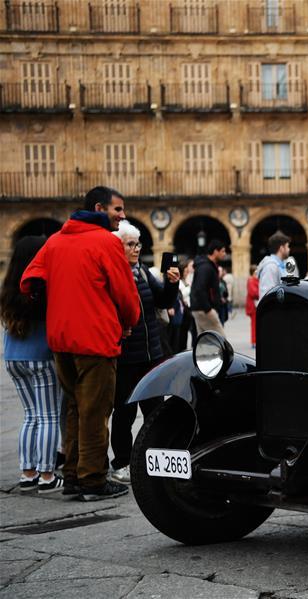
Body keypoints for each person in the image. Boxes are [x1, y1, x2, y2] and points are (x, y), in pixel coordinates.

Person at [20, 186, 141, 502]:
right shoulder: (105, 242)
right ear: (100, 208)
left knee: (73, 408)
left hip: (61, 338)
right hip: (95, 339)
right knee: (96, 411)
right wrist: (128, 321)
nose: (122, 215)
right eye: (118, 209)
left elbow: (29, 279)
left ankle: (72, 475)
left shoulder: (56, 241)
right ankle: (93, 480)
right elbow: (126, 294)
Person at [108, 220, 180, 484]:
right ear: (118, 247)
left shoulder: (142, 272)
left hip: (152, 353)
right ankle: (122, 462)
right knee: (124, 411)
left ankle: (157, 458)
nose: (136, 249)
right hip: (127, 355)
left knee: (156, 409)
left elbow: (163, 301)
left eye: (138, 244)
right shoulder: (113, 274)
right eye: (130, 244)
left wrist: (171, 284)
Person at [2, 236, 65, 493]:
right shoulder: (40, 285)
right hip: (40, 355)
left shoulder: (9, 287)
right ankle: (47, 476)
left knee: (30, 416)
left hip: (13, 356)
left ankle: (28, 473)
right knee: (49, 415)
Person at [190, 240, 228, 336]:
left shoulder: (207, 265)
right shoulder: (206, 267)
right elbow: (199, 288)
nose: (225, 254)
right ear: (215, 252)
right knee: (220, 340)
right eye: (223, 251)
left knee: (204, 341)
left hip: (200, 309)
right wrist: (208, 309)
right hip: (204, 310)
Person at [257, 232, 291, 297]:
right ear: (281, 248)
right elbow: (268, 296)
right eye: (287, 246)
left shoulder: (279, 265)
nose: (289, 249)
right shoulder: (270, 267)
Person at [175, 259, 196, 350]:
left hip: (187, 309)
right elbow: (181, 294)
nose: (187, 273)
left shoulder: (186, 281)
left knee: (185, 332)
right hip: (182, 310)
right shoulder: (179, 282)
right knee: (182, 333)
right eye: (186, 271)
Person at [246, 265, 259, 348]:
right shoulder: (251, 280)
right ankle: (254, 341)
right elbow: (253, 292)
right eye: (256, 271)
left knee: (256, 323)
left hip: (256, 304)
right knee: (254, 324)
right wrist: (261, 292)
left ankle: (255, 340)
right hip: (253, 305)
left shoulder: (256, 280)